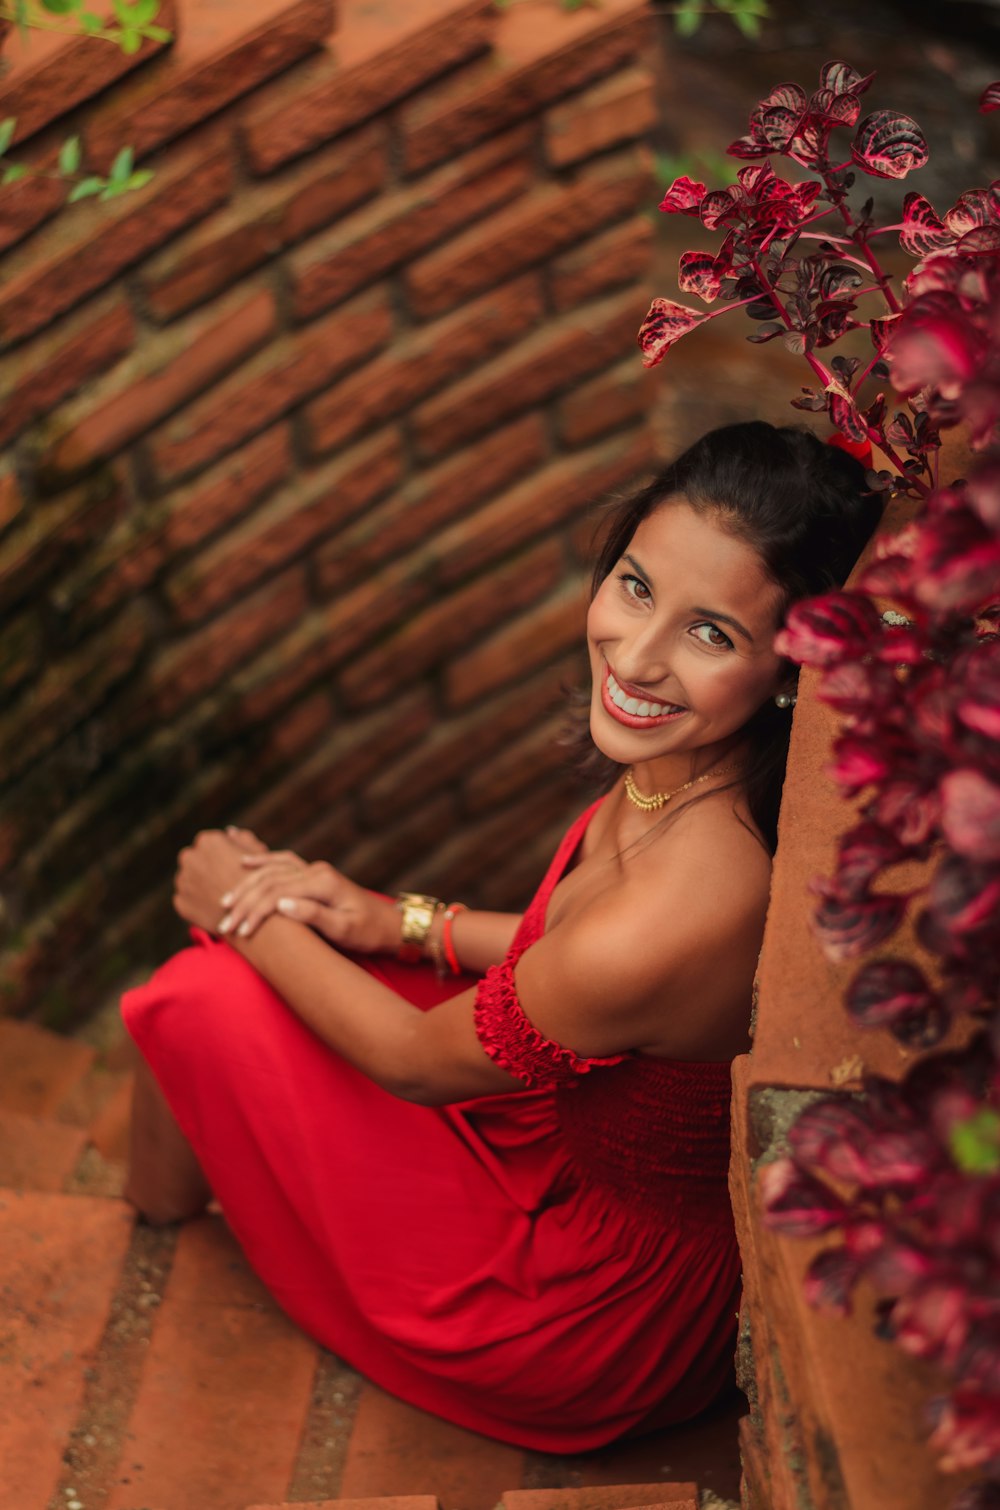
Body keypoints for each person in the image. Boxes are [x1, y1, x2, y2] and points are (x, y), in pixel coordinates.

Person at [121, 421, 880, 1453]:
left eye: (712, 634)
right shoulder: (695, 773)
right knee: (311, 942)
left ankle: (149, 1235)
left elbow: (414, 1061)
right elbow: (548, 949)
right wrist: (394, 918)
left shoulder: (687, 900)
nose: (638, 656)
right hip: (558, 1126)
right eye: (635, 585)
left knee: (203, 988)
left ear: (789, 670)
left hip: (579, 1302)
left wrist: (231, 903)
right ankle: (172, 1194)